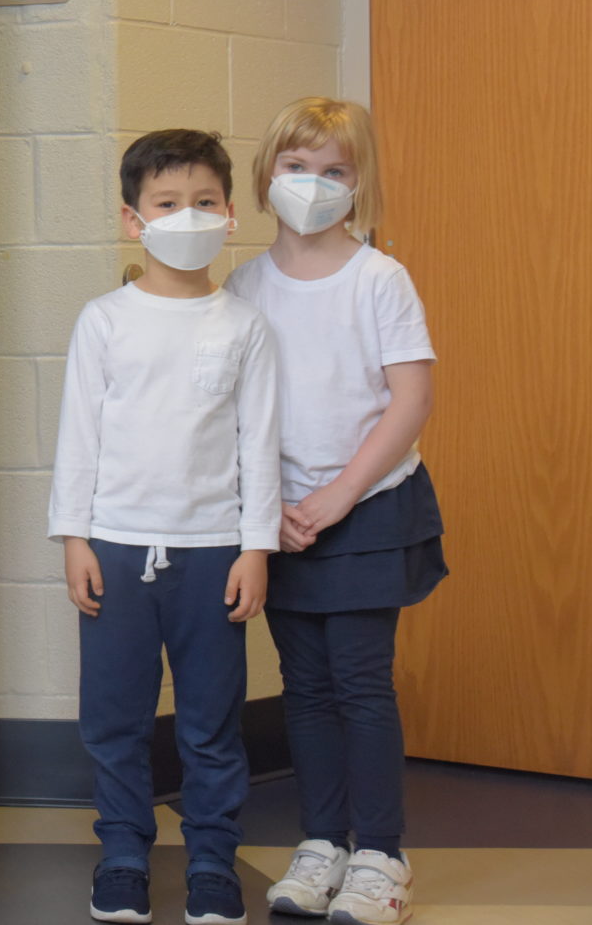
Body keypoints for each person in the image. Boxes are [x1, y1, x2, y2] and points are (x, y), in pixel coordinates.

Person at [50, 129, 281, 925]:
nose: (189, 216)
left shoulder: (244, 326)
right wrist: (74, 537)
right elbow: (79, 436)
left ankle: (214, 861)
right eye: (168, 203)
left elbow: (260, 442)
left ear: (229, 213)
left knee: (213, 721)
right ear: (132, 218)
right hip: (114, 546)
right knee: (113, 719)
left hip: (215, 551)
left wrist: (257, 546)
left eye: (205, 202)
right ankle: (122, 855)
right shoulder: (105, 320)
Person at [225, 98, 444, 925]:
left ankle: (381, 855)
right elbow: (239, 408)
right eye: (296, 167)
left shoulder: (378, 277)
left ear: (361, 184)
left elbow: (410, 396)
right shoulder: (245, 284)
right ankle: (323, 842)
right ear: (266, 175)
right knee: (303, 689)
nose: (312, 185)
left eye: (334, 171)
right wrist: (270, 505)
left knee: (359, 684)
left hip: (367, 509)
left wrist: (337, 494)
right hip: (280, 519)